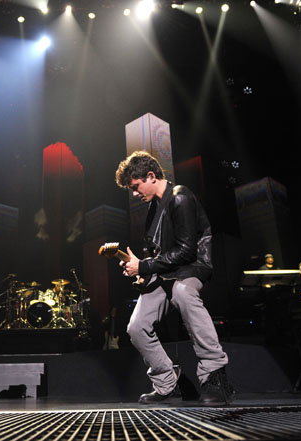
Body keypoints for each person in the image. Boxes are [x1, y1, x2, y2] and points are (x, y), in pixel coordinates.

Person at [115, 151, 233, 406]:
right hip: (167, 273)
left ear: (150, 175)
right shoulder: (152, 210)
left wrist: (144, 266)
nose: (134, 194)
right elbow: (159, 255)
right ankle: (169, 383)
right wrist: (140, 273)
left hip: (192, 268)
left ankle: (215, 376)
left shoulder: (179, 197)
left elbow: (186, 251)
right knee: (136, 327)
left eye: (135, 187)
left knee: (182, 293)